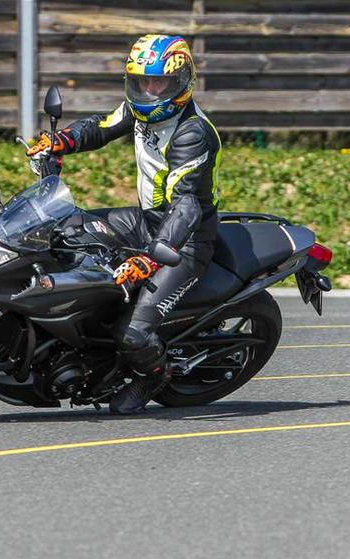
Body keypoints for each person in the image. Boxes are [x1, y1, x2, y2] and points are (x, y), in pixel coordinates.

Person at [27, 34, 222, 414]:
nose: (150, 91)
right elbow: (101, 126)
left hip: (183, 241)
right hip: (146, 220)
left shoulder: (192, 133)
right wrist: (62, 141)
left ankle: (153, 376)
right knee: (66, 230)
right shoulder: (142, 107)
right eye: (142, 81)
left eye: (159, 82)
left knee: (133, 334)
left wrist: (152, 258)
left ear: (182, 82)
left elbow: (185, 206)